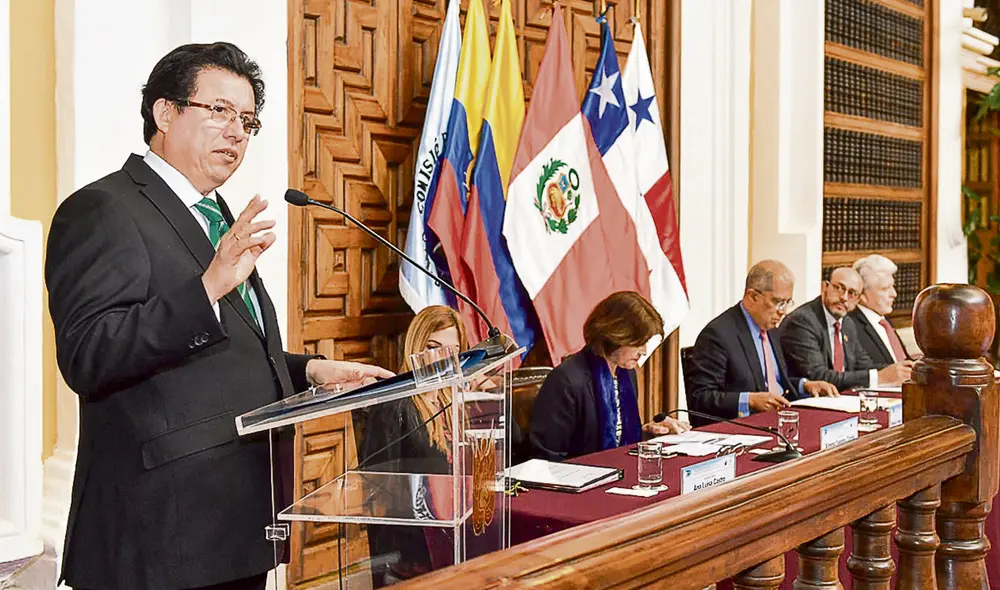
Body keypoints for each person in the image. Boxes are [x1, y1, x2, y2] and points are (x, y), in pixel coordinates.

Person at [45, 42, 392, 590]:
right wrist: (207, 286)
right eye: (220, 111)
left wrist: (309, 371)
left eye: (248, 120)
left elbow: (217, 351)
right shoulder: (104, 208)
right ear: (165, 113)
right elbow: (90, 354)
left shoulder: (211, 214)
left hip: (235, 521)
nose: (238, 132)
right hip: (161, 537)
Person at [529, 291, 690, 462]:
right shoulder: (566, 381)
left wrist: (649, 433)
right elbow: (546, 458)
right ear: (616, 335)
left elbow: (616, 440)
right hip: (580, 480)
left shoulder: (626, 374)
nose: (643, 352)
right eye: (638, 343)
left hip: (619, 474)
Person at [686, 260, 838, 425]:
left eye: (788, 302)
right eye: (778, 302)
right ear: (752, 296)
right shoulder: (718, 334)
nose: (783, 311)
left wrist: (805, 385)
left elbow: (774, 383)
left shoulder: (771, 328)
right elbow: (700, 399)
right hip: (744, 428)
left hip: (780, 420)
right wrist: (749, 400)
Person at [780, 267, 912, 391]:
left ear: (858, 300)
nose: (844, 297)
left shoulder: (847, 323)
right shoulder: (803, 321)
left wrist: (900, 370)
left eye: (852, 293)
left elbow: (863, 364)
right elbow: (819, 375)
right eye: (839, 288)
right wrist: (879, 377)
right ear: (824, 287)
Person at [849, 254, 918, 368]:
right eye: (885, 289)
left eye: (893, 286)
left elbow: (902, 361)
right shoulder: (850, 326)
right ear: (862, 295)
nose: (894, 294)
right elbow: (858, 370)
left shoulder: (885, 322)